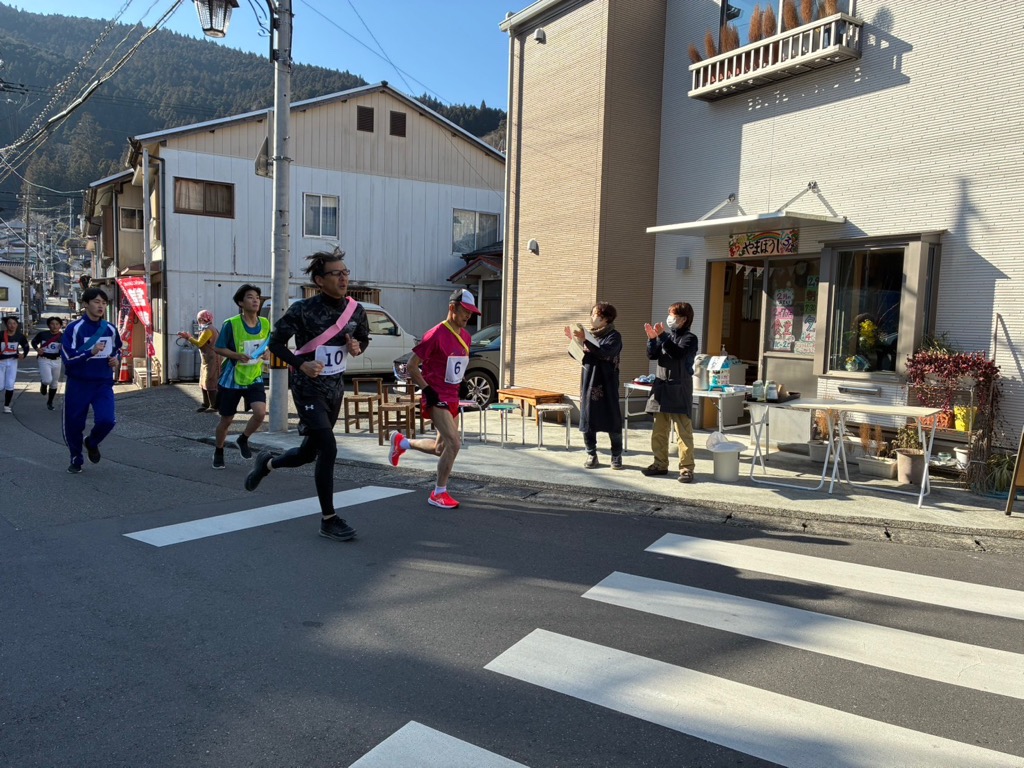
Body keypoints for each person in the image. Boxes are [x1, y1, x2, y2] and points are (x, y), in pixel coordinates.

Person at [244, 249, 371, 542]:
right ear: (319, 280)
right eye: (336, 273)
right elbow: (275, 343)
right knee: (328, 447)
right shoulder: (303, 309)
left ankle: (267, 463)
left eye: (345, 272)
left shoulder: (356, 310)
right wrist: (301, 364)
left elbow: (363, 339)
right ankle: (329, 519)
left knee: (308, 453)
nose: (343, 278)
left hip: (334, 388)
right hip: (307, 387)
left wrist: (357, 347)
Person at [386, 288, 479, 509]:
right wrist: (427, 390)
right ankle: (438, 493)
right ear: (452, 307)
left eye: (471, 312)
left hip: (452, 397)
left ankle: (402, 442)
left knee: (441, 448)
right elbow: (411, 366)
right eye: (465, 310)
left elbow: (455, 365)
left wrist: (463, 382)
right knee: (454, 444)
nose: (468, 316)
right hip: (436, 397)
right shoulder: (435, 334)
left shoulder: (466, 337)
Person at [60, 288, 123, 473]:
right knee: (74, 423)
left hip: (103, 382)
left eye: (103, 303)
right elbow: (68, 359)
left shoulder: (110, 328)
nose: (100, 306)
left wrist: (116, 359)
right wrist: (90, 352)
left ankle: (91, 441)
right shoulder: (74, 328)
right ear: (85, 304)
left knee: (107, 420)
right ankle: (76, 458)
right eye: (96, 302)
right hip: (78, 383)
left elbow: (118, 349)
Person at [212, 285, 270, 469]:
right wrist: (236, 355)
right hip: (232, 378)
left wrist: (267, 353)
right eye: (250, 297)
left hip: (254, 376)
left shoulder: (265, 323)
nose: (255, 300)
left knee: (260, 413)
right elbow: (218, 348)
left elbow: (266, 346)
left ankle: (243, 439)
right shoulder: (231, 324)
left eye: (257, 297)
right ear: (240, 302)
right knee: (227, 420)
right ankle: (219, 451)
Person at [642, 302, 699, 483]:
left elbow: (677, 354)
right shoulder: (666, 336)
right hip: (661, 388)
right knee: (659, 430)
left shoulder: (690, 338)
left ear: (684, 319)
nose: (670, 318)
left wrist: (662, 336)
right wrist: (652, 339)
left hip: (679, 388)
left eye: (673, 315)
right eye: (670, 314)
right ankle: (660, 464)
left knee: (683, 432)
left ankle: (686, 468)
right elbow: (652, 355)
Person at [564, 302, 624, 469]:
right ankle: (591, 453)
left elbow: (604, 352)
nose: (592, 318)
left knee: (612, 419)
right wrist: (574, 341)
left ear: (605, 319)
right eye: (592, 314)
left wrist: (585, 340)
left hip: (607, 382)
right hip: (589, 380)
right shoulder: (589, 335)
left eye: (596, 315)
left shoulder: (614, 336)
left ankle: (616, 455)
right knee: (588, 418)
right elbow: (579, 355)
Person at [177, 309, 221, 412]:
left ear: (204, 319)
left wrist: (188, 337)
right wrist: (189, 337)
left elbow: (199, 343)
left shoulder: (208, 329)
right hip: (207, 359)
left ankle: (214, 405)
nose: (199, 321)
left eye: (200, 319)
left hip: (212, 359)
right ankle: (205, 404)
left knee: (210, 381)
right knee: (203, 381)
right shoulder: (206, 328)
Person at [32, 316, 64, 411]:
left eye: (57, 324)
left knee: (54, 383)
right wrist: (37, 349)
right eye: (52, 324)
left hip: (57, 360)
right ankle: (43, 383)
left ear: (60, 326)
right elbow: (34, 342)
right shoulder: (42, 334)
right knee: (47, 380)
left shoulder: (63, 336)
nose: (54, 326)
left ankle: (50, 402)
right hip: (44, 359)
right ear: (48, 325)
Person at [1, 315, 30, 414]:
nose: (12, 325)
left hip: (13, 361)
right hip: (1, 362)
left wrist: (24, 354)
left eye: (14, 323)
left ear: (17, 325)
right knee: (0, 386)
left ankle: (6, 406)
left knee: (10, 384)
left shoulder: (20, 336)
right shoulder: (1, 335)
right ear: (6, 325)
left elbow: (26, 347)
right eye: (10, 323)